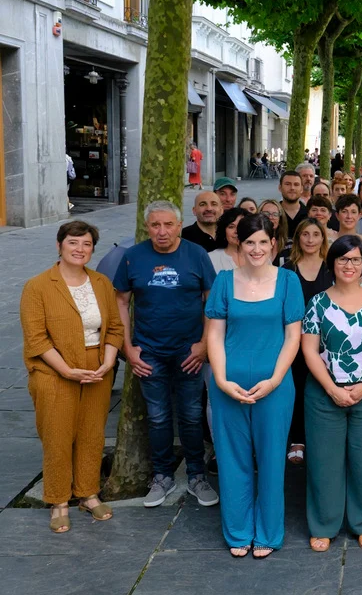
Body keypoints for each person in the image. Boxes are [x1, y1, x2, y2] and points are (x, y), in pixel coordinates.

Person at [205, 214, 304, 558]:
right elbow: (214, 334)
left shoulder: (288, 280)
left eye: (263, 241)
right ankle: (238, 530)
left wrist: (275, 379)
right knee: (232, 458)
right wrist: (220, 379)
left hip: (274, 384)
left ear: (273, 243)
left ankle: (268, 531)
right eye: (250, 242)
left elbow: (293, 336)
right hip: (228, 382)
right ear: (239, 244)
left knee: (272, 458)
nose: (257, 249)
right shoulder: (223, 281)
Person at [113, 201, 219, 508]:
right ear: (147, 227)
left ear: (179, 225)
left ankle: (197, 475)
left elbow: (211, 301)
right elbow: (120, 302)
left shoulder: (196, 254)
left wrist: (204, 344)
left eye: (168, 224)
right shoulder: (133, 256)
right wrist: (127, 347)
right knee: (158, 417)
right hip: (149, 352)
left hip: (189, 351)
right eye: (155, 225)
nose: (162, 231)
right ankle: (162, 476)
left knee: (191, 414)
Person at [21, 221, 124, 532]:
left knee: (92, 434)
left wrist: (108, 362)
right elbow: (36, 339)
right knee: (57, 436)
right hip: (54, 370)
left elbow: (115, 328)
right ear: (59, 246)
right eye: (73, 243)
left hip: (96, 368)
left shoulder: (102, 283)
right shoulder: (38, 286)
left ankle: (88, 494)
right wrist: (66, 370)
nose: (80, 249)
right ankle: (58, 501)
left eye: (87, 244)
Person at [301, 236, 362, 552]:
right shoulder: (318, 303)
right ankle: (324, 524)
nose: (349, 265)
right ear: (332, 263)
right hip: (323, 394)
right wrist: (331, 388)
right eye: (342, 259)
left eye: (355, 259)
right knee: (324, 462)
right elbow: (309, 350)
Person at [283, 218, 334, 465]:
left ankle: (321, 437)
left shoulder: (331, 267)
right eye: (305, 234)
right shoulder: (287, 269)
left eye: (316, 234)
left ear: (323, 238)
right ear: (298, 238)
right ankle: (298, 439)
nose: (310, 239)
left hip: (327, 342)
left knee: (324, 389)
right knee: (297, 388)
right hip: (294, 341)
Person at [208, 208, 249, 272]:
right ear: (223, 231)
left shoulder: (259, 255)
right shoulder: (211, 258)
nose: (236, 231)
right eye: (231, 227)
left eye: (241, 226)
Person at [258, 199, 291, 265]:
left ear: (280, 219)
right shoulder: (252, 243)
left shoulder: (289, 244)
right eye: (266, 213)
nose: (270, 217)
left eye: (275, 214)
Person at [279, 170, 309, 238]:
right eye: (287, 184)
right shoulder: (273, 214)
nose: (292, 188)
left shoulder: (309, 214)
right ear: (280, 188)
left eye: (296, 184)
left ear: (301, 189)